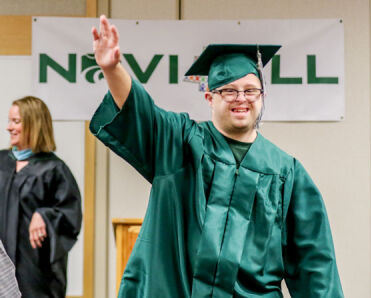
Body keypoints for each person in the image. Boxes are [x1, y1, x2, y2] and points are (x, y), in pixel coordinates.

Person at [90, 15, 344, 297]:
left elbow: (316, 265)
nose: (241, 98)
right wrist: (113, 69)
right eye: (229, 91)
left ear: (261, 96)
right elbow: (142, 112)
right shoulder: (182, 143)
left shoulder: (285, 172)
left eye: (250, 90)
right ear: (210, 97)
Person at [0, 96, 82, 298]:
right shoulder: (1, 162)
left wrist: (45, 215)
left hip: (34, 271)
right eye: (9, 121)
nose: (9, 128)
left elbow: (70, 215)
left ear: (34, 124)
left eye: (16, 121)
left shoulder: (54, 169)